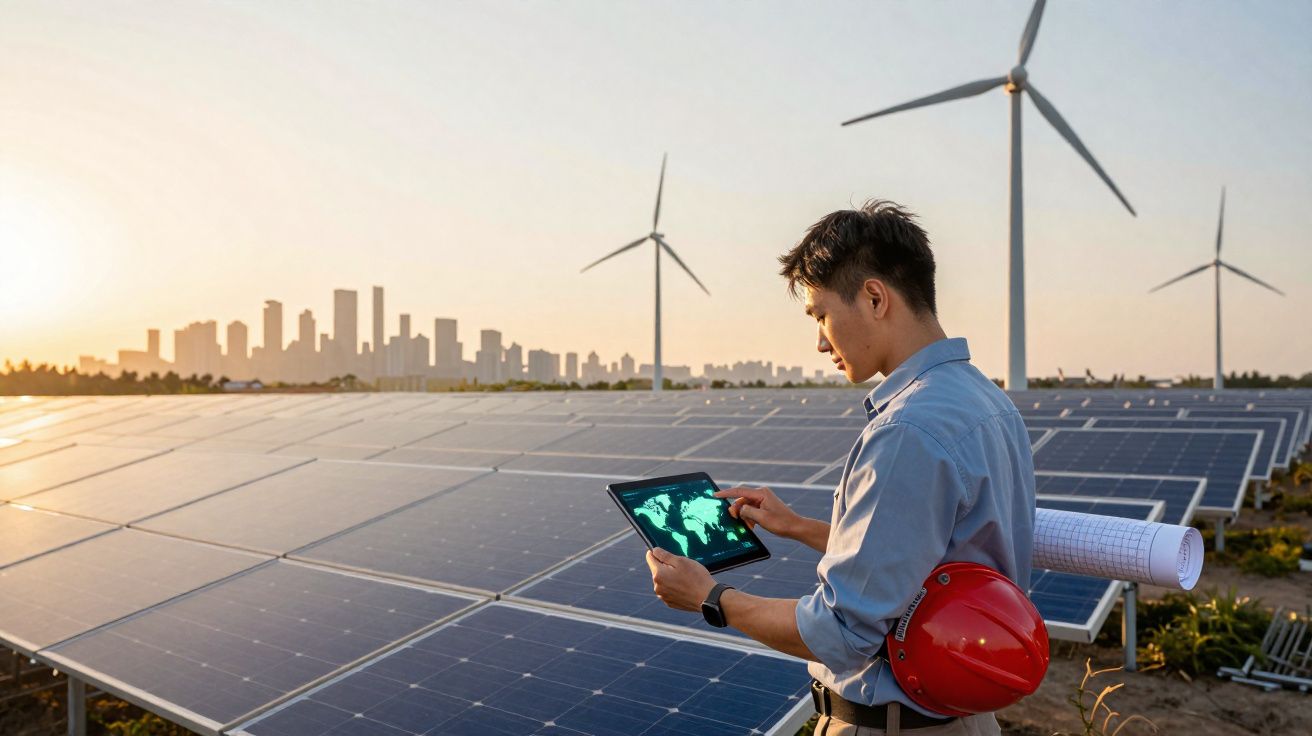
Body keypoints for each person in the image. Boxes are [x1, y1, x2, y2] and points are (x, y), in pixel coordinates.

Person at [644, 200, 1035, 735]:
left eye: (821, 315)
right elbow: (923, 562)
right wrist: (800, 528)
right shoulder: (987, 401)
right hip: (962, 719)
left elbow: (842, 632)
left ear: (875, 297)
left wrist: (710, 598)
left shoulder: (908, 430)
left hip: (892, 725)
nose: (821, 341)